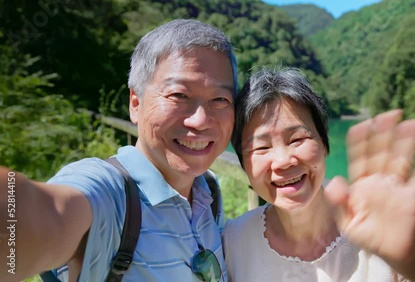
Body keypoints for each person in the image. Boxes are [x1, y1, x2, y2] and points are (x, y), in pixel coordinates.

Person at [0, 19, 237, 282]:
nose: (200, 121)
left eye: (220, 100)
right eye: (179, 95)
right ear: (136, 103)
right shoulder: (110, 194)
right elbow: (46, 214)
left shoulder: (208, 189)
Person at [223, 67, 415, 281]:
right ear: (244, 163)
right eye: (261, 147)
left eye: (297, 139)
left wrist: (414, 259)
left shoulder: (377, 221)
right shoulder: (234, 241)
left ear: (324, 144)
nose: (282, 161)